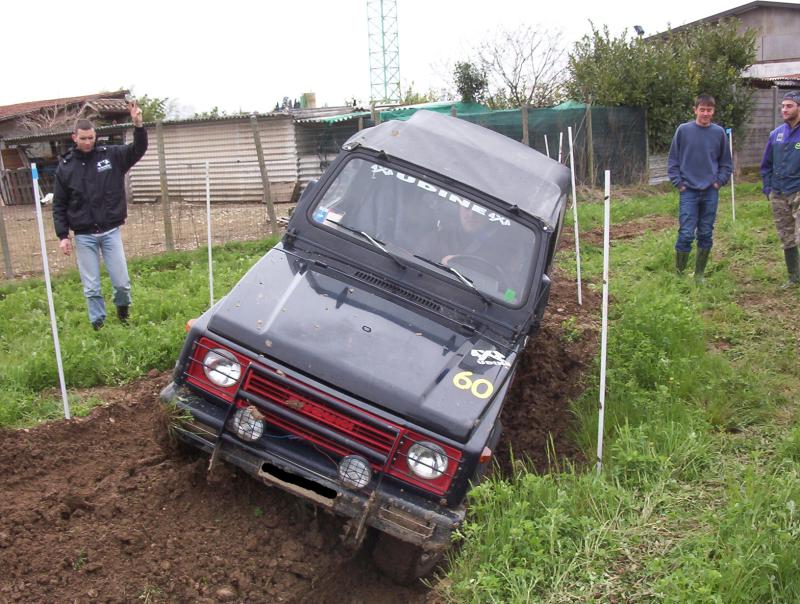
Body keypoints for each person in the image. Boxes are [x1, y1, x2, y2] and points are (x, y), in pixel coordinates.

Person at [53, 101, 148, 330]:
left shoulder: (111, 156)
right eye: (84, 138)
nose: (88, 142)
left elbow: (138, 149)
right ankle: (99, 325)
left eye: (91, 138)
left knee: (122, 283)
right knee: (92, 287)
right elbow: (59, 204)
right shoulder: (65, 167)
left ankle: (123, 314)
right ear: (74, 137)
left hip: (110, 232)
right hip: (84, 235)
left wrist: (138, 125)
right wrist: (63, 235)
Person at [668, 93, 732, 282]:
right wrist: (679, 184)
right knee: (686, 233)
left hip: (710, 191)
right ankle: (679, 275)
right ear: (695, 110)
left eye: (709, 110)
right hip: (688, 190)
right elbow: (673, 160)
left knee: (706, 231)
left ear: (713, 111)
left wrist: (719, 182)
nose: (705, 113)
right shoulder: (683, 130)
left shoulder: (719, 133)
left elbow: (726, 163)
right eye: (702, 109)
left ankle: (699, 274)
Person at [760, 90, 800, 287]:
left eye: (789, 106)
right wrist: (768, 188)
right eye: (783, 106)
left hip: (798, 191)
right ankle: (794, 277)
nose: (784, 109)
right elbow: (766, 164)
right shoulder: (776, 134)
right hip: (779, 193)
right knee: (787, 236)